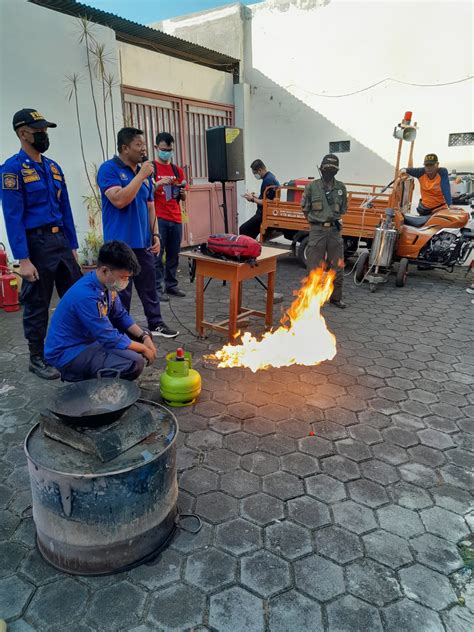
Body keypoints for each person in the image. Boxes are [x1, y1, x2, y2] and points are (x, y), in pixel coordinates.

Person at [1, 108, 81, 380]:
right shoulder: (12, 170)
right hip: (37, 245)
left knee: (74, 296)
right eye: (39, 131)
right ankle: (37, 357)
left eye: (45, 130)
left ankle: (72, 346)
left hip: (61, 241)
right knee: (38, 303)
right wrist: (23, 259)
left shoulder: (53, 167)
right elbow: (13, 218)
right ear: (23, 133)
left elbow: (66, 208)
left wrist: (73, 246)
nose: (44, 135)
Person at [96, 127, 178, 338]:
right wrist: (140, 176)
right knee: (121, 292)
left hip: (143, 243)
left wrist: (156, 235)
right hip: (120, 246)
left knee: (149, 287)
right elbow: (120, 200)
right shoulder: (109, 169)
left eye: (143, 144)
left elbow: (151, 207)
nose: (143, 149)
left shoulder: (145, 174)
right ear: (125, 148)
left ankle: (156, 323)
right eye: (138, 145)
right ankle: (118, 330)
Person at [45, 241, 157, 382]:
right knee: (134, 362)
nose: (125, 282)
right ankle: (91, 385)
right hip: (69, 353)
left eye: (128, 278)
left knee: (140, 334)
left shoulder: (107, 286)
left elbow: (120, 315)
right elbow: (108, 336)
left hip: (90, 340)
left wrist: (144, 337)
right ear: (104, 270)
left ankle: (101, 368)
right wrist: (143, 349)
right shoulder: (85, 296)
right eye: (123, 277)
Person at [301, 154, 347, 308]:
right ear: (321, 168)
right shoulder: (312, 187)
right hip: (317, 231)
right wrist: (315, 222)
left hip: (334, 231)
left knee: (337, 267)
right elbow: (305, 208)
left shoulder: (340, 188)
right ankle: (310, 299)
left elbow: (343, 208)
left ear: (337, 171)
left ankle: (336, 298)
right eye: (326, 168)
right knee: (313, 267)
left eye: (333, 169)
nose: (329, 171)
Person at [153, 132, 187, 301]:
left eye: (169, 149)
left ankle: (171, 285)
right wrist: (158, 183)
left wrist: (182, 192)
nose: (166, 152)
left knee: (174, 254)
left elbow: (183, 197)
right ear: (156, 148)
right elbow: (144, 193)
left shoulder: (177, 170)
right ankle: (157, 288)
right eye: (163, 149)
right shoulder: (151, 169)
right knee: (157, 256)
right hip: (159, 218)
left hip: (176, 218)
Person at [240, 159, 280, 239]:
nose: (255, 176)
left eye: (255, 173)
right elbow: (266, 198)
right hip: (266, 213)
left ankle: (248, 249)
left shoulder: (267, 181)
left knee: (243, 229)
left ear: (260, 170)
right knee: (249, 232)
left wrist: (252, 199)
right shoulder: (271, 177)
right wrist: (254, 196)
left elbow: (267, 202)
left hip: (263, 214)